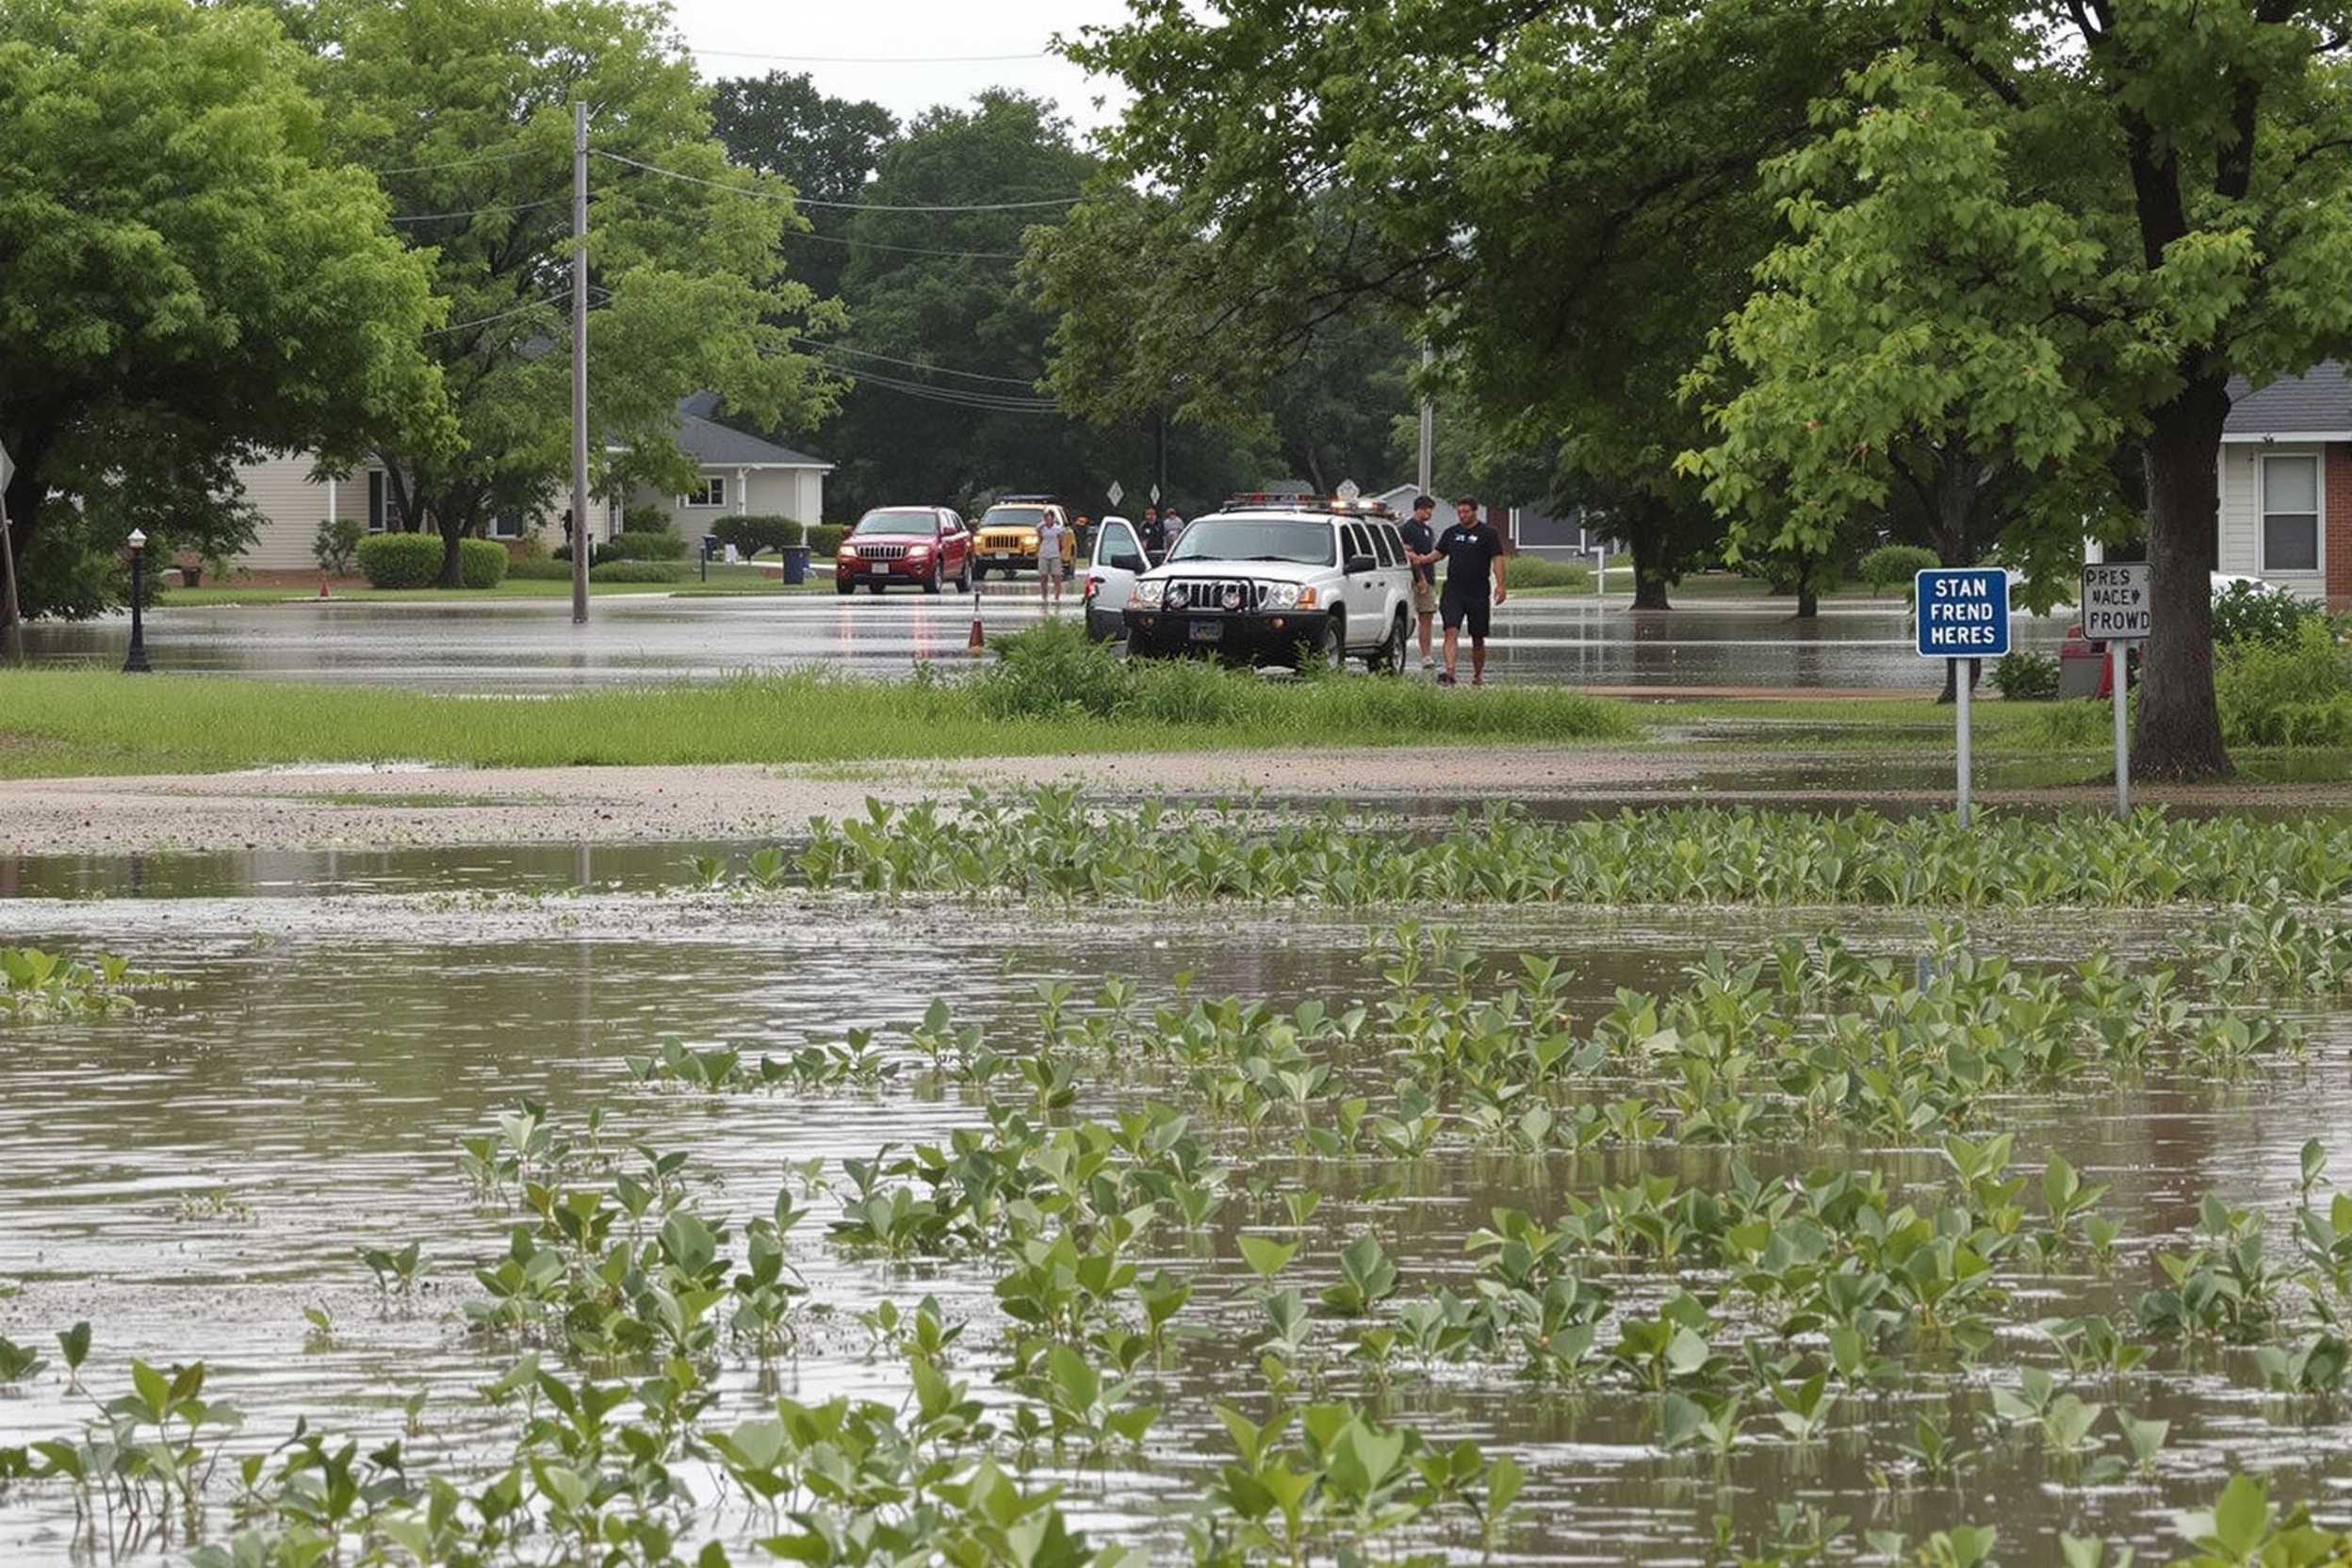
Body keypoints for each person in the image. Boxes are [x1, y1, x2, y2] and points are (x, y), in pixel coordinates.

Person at [1434, 496, 1507, 686]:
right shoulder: (1451, 532)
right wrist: (1421, 559)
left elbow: (1497, 558)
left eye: (1466, 512)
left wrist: (1500, 585)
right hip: (1453, 591)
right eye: (1460, 512)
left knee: (1477, 638)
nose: (1462, 515)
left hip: (1478, 592)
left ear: (1475, 512)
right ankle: (1450, 673)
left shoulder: (1488, 533)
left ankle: (1477, 675)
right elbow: (1439, 553)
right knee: (1451, 629)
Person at [1398, 494, 1441, 669]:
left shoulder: (1428, 530)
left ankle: (1426, 655)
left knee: (1427, 616)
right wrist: (1420, 578)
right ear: (1418, 509)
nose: (1429, 512)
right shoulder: (1408, 528)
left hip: (1429, 577)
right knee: (1410, 617)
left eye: (1431, 509)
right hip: (1414, 579)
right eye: (1426, 509)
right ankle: (1404, 652)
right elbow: (1410, 555)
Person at [1036, 512, 1069, 609]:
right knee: (1043, 577)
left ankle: (1057, 596)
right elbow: (1038, 533)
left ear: (1053, 519)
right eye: (1047, 519)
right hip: (1044, 554)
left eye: (1050, 518)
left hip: (1054, 555)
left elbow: (1061, 542)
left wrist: (1059, 552)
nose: (1048, 521)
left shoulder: (1058, 529)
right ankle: (1044, 597)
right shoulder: (1042, 528)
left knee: (1056, 576)